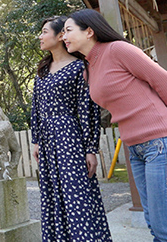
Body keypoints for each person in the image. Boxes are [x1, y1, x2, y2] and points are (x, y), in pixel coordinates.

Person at [63, 9, 167, 242]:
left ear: (90, 31)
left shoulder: (117, 49)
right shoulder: (88, 69)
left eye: (68, 30)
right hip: (136, 149)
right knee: (156, 227)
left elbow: (166, 83)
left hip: (163, 142)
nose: (63, 36)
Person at [30, 15, 111, 241]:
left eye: (45, 31)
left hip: (69, 137)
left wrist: (90, 148)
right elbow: (35, 107)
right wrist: (36, 140)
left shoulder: (79, 67)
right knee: (52, 195)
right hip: (46, 141)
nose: (41, 36)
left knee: (76, 195)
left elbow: (88, 109)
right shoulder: (42, 71)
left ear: (60, 36)